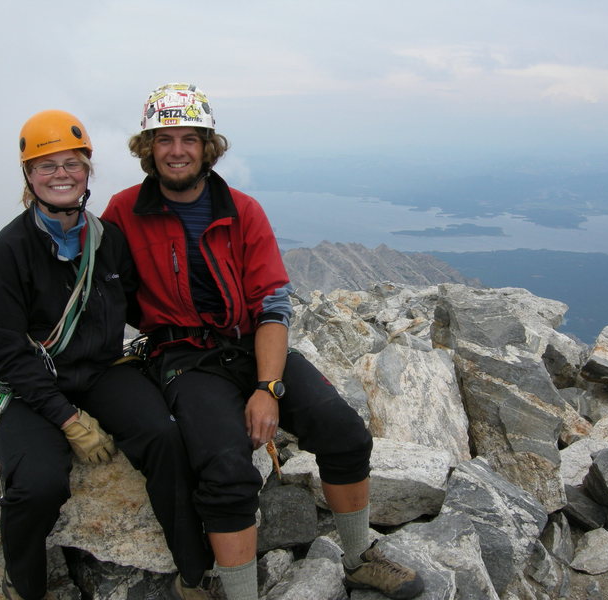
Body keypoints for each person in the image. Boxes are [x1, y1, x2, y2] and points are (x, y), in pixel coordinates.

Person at [102, 82, 425, 600]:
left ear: (208, 146)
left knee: (343, 432)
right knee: (226, 471)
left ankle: (359, 556)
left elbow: (272, 304)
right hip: (183, 356)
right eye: (165, 139)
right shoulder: (122, 212)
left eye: (190, 138)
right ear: (148, 148)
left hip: (250, 343)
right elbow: (99, 286)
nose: (177, 150)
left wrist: (267, 388)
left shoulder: (242, 210)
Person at [0, 109, 215, 600]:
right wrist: (66, 420)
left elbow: (139, 305)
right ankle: (23, 586)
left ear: (87, 172)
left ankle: (193, 573)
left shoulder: (106, 241)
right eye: (47, 166)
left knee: (164, 439)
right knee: (39, 483)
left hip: (100, 371)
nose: (61, 174)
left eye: (72, 164)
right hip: (29, 385)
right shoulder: (10, 251)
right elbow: (6, 349)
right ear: (29, 177)